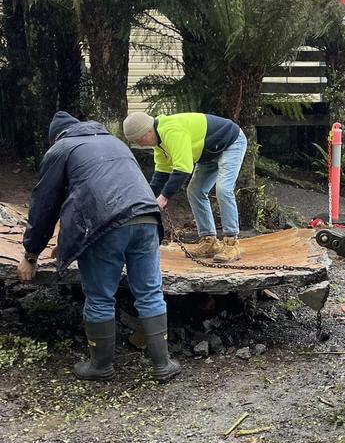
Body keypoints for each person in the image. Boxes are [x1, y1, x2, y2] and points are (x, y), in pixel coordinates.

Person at [17, 112, 180, 383]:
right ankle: (163, 365)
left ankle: (100, 366)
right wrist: (70, 242)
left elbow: (45, 207)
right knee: (150, 292)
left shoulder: (61, 149)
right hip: (148, 220)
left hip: (104, 226)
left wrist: (31, 255)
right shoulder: (116, 143)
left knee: (100, 297)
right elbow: (101, 188)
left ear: (56, 137)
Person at [122, 111, 247, 263]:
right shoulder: (159, 143)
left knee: (223, 189)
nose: (139, 144)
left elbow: (183, 169)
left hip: (230, 141)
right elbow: (161, 174)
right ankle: (209, 241)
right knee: (195, 191)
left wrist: (163, 197)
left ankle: (231, 243)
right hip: (207, 152)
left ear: (148, 131)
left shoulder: (171, 131)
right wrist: (146, 199)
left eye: (139, 139)